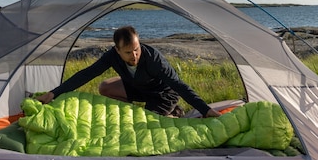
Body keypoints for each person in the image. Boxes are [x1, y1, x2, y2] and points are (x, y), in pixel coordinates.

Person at [35, 26, 222, 118]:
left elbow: (178, 85)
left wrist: (206, 110)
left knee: (149, 120)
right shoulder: (112, 56)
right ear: (117, 50)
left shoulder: (153, 59)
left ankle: (172, 111)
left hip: (162, 94)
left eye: (137, 49)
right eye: (128, 52)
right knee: (104, 87)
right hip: (138, 88)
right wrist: (54, 93)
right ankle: (134, 110)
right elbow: (87, 74)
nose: (134, 55)